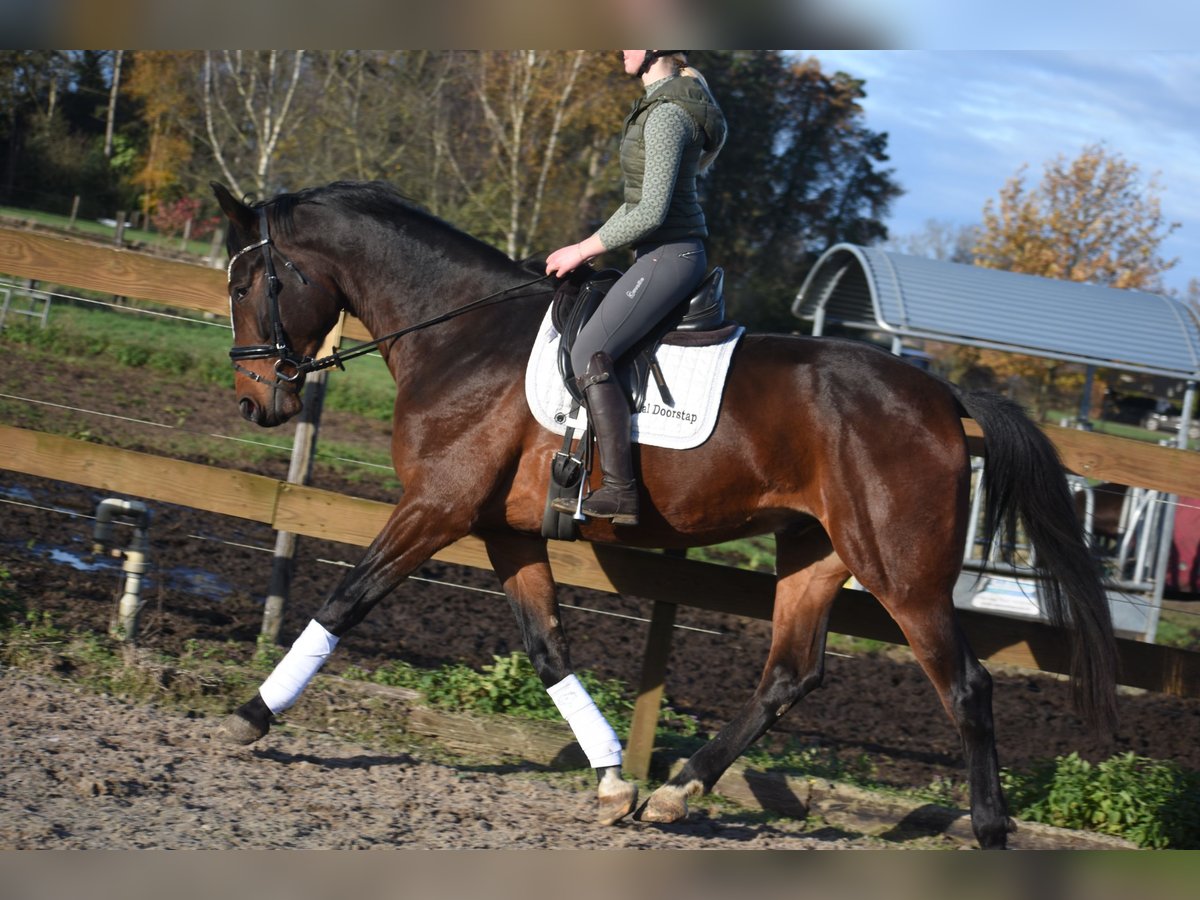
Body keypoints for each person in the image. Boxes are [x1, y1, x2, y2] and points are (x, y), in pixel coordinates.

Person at [546, 50, 726, 526]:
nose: (620, 49)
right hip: (657, 255)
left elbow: (651, 214)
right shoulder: (658, 105)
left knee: (588, 352)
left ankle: (622, 491)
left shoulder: (667, 115)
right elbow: (635, 206)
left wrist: (582, 250)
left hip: (671, 256)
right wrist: (582, 247)